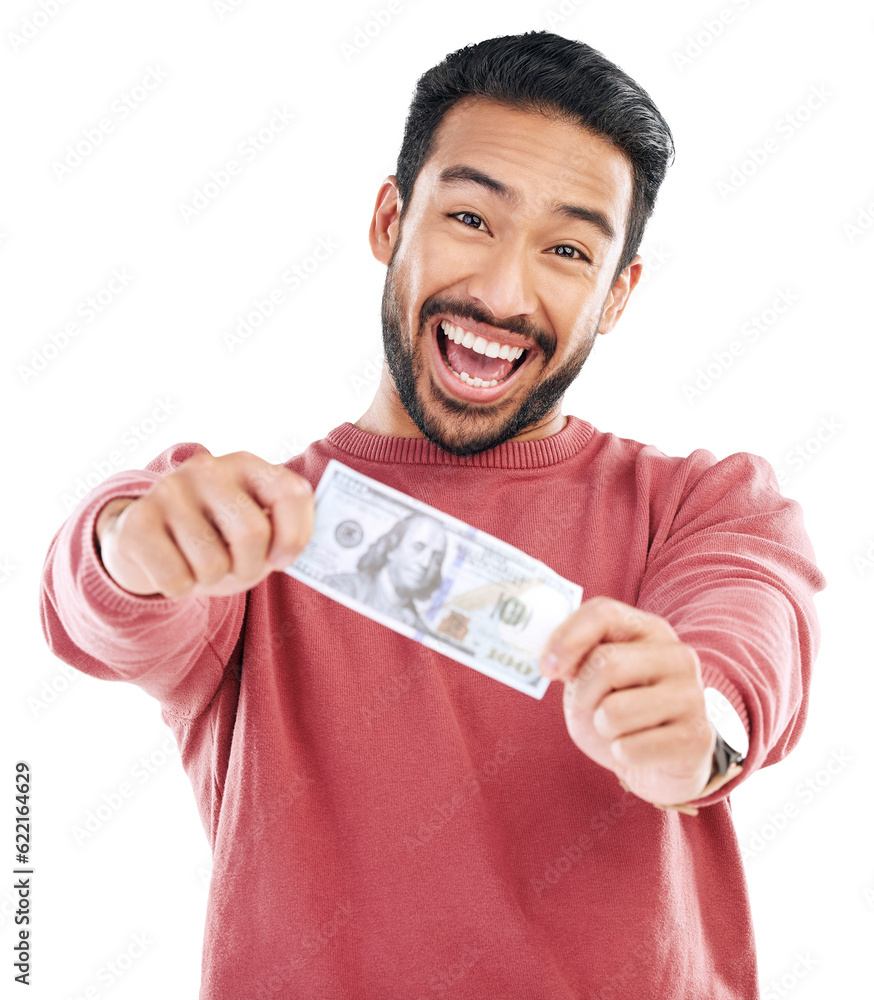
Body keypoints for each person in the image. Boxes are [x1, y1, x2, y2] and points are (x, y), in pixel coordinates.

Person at [39, 31, 826, 999]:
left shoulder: (704, 506)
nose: (502, 292)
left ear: (617, 294)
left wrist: (694, 723)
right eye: (469, 218)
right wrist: (131, 542)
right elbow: (103, 595)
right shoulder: (253, 536)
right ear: (388, 218)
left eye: (570, 249)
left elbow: (749, 636)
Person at [324, 512, 447, 632]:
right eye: (417, 548)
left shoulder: (419, 630)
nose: (425, 563)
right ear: (392, 548)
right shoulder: (341, 588)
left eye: (436, 559)